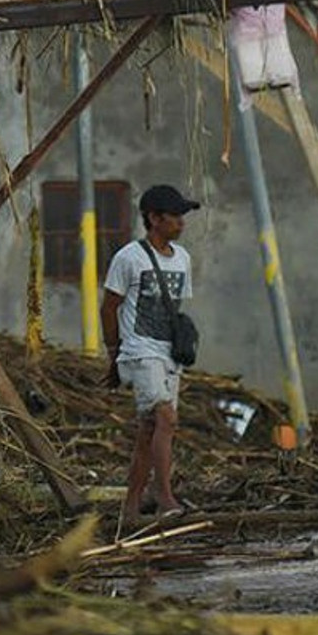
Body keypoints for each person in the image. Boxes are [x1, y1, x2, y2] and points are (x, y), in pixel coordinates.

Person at [101, 184, 199, 523]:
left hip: (168, 353)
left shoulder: (183, 259)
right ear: (154, 218)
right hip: (139, 351)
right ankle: (163, 493)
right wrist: (114, 354)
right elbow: (109, 307)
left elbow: (176, 308)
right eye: (175, 216)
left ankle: (130, 507)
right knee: (166, 419)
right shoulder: (129, 257)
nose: (181, 223)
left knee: (148, 430)